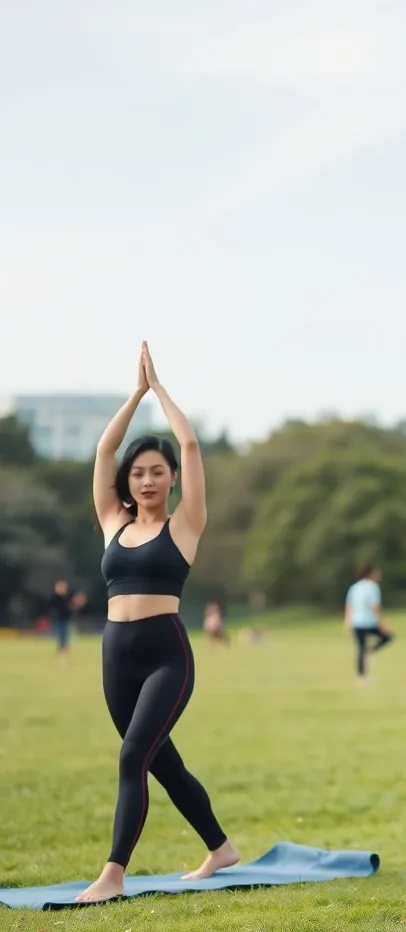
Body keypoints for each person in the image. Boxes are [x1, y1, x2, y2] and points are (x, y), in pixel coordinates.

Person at [76, 341, 238, 903]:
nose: (147, 480)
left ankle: (113, 874)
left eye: (158, 472)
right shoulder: (111, 523)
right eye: (138, 473)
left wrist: (160, 389)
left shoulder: (186, 524)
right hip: (115, 654)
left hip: (166, 654)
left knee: (131, 758)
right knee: (160, 762)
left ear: (172, 480)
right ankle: (220, 848)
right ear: (127, 482)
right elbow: (104, 450)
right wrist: (134, 394)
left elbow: (190, 442)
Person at [345, 564, 393, 684]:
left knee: (360, 648)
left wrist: (347, 623)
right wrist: (382, 623)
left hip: (356, 622)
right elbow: (375, 607)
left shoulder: (354, 587)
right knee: (387, 637)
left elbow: (349, 607)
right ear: (370, 574)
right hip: (369, 622)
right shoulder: (372, 587)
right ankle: (371, 650)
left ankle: (361, 675)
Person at [48, 579, 85, 662]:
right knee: (60, 637)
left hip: (66, 619)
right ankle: (61, 653)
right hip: (57, 619)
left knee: (65, 636)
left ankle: (63, 654)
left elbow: (74, 604)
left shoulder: (68, 596)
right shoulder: (54, 597)